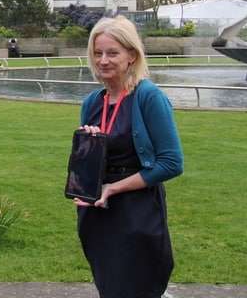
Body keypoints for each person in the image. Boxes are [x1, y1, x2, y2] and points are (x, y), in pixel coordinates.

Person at [75, 15, 183, 298]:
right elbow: (89, 162)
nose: (103, 60)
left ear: (132, 56)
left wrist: (114, 187)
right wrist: (86, 147)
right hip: (97, 213)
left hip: (137, 212)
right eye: (97, 53)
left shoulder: (148, 97)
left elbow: (171, 163)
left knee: (137, 287)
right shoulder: (92, 102)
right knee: (109, 286)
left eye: (113, 53)